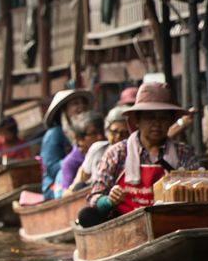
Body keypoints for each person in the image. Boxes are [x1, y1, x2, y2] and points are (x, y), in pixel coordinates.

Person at [74, 76, 196, 226]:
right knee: (86, 216)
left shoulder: (182, 152)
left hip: (170, 222)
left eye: (163, 118)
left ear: (170, 121)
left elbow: (196, 189)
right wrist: (108, 200)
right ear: (136, 121)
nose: (157, 124)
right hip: (125, 222)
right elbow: (93, 196)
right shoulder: (117, 153)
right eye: (150, 118)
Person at [37, 87, 91, 189]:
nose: (81, 106)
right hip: (56, 185)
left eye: (82, 103)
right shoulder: (54, 134)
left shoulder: (91, 131)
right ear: (64, 110)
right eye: (75, 103)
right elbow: (52, 169)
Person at [51, 111, 103, 196]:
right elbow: (65, 196)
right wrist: (78, 181)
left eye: (101, 132)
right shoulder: (70, 162)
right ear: (79, 139)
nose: (100, 137)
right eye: (93, 133)